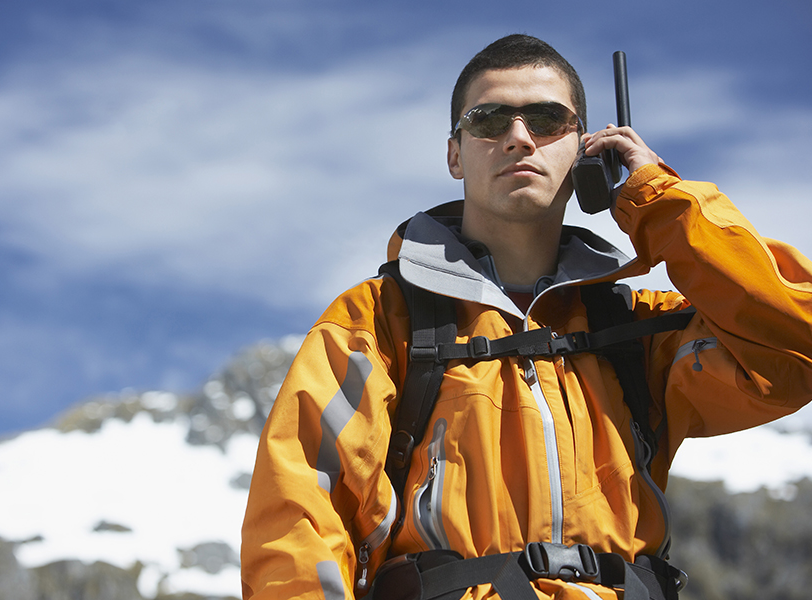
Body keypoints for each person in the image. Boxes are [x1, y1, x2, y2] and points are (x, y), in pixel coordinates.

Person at [240, 34, 812, 600]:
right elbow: (299, 521)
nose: (518, 137)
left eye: (546, 119)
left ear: (589, 148)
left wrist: (657, 197)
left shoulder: (643, 330)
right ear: (454, 153)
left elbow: (794, 345)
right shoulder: (375, 320)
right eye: (489, 119)